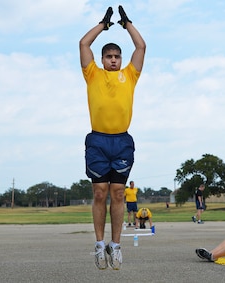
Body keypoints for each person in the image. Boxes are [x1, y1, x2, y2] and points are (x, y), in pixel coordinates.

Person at [79, 5, 146, 270]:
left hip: (121, 141)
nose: (114, 59)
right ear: (102, 59)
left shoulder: (129, 75)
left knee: (118, 193)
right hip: (98, 140)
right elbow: (84, 43)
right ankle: (99, 244)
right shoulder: (92, 74)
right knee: (99, 193)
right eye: (109, 56)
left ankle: (115, 246)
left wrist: (127, 23)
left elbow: (141, 48)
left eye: (117, 56)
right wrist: (103, 25)